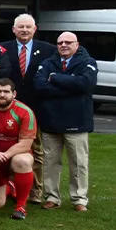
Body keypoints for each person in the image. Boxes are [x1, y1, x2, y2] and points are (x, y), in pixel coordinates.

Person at [34, 32, 96, 212]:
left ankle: (79, 199)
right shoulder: (47, 63)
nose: (63, 45)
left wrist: (55, 78)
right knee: (50, 162)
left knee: (78, 162)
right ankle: (52, 197)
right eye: (60, 42)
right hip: (51, 121)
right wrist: (71, 87)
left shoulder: (87, 62)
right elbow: (39, 86)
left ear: (77, 45)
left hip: (77, 121)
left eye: (68, 42)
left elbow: (86, 84)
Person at [0, 13, 55, 204]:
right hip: (6, 109)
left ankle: (35, 191)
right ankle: (9, 187)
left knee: (36, 151)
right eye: (20, 27)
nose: (24, 30)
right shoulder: (2, 49)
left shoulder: (49, 50)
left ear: (34, 29)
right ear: (13, 29)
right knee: (5, 147)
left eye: (28, 27)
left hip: (35, 109)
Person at [0, 79, 38, 219]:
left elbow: (25, 144)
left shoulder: (25, 112)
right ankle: (11, 186)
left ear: (14, 94)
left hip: (13, 157)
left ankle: (21, 207)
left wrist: (0, 158)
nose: (2, 95)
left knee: (22, 161)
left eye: (6, 92)